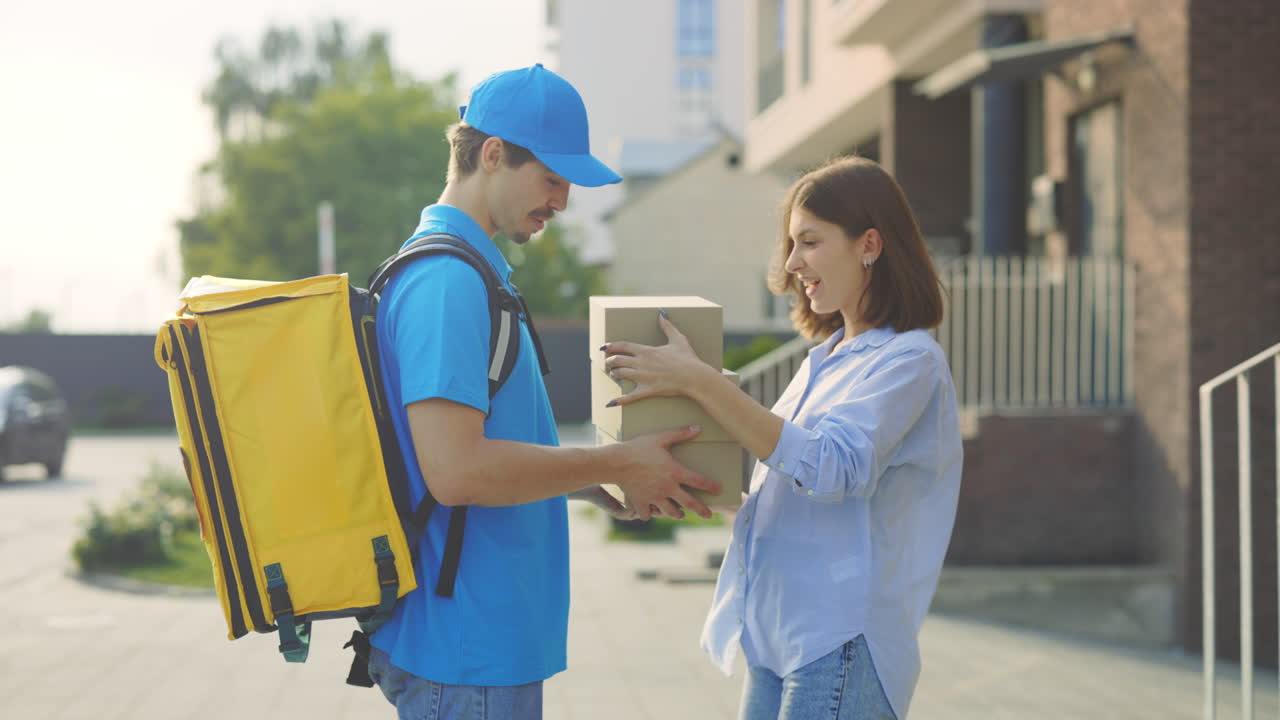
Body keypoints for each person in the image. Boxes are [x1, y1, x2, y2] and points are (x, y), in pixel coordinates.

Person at [367, 63, 721, 720]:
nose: (562, 202)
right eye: (552, 179)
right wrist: (620, 460)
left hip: (477, 646)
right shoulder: (448, 283)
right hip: (466, 650)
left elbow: (480, 454)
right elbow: (456, 472)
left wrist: (591, 484)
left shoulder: (471, 272)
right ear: (492, 155)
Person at [601, 156, 962, 720]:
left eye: (810, 242)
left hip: (840, 641)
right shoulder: (823, 360)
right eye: (791, 245)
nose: (792, 263)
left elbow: (832, 468)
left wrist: (700, 382)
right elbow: (785, 483)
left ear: (869, 244)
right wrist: (680, 487)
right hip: (775, 638)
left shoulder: (909, 360)